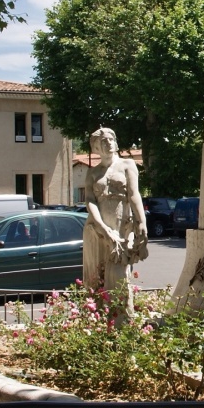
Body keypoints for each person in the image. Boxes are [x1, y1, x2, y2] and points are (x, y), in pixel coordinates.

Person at [83, 127, 148, 309]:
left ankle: (122, 319)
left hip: (122, 227)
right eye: (103, 141)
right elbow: (90, 202)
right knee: (96, 276)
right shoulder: (92, 173)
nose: (108, 143)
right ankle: (97, 318)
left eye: (111, 139)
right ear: (96, 147)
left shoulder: (128, 165)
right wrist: (103, 228)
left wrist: (141, 221)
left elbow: (134, 195)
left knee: (119, 273)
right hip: (98, 230)